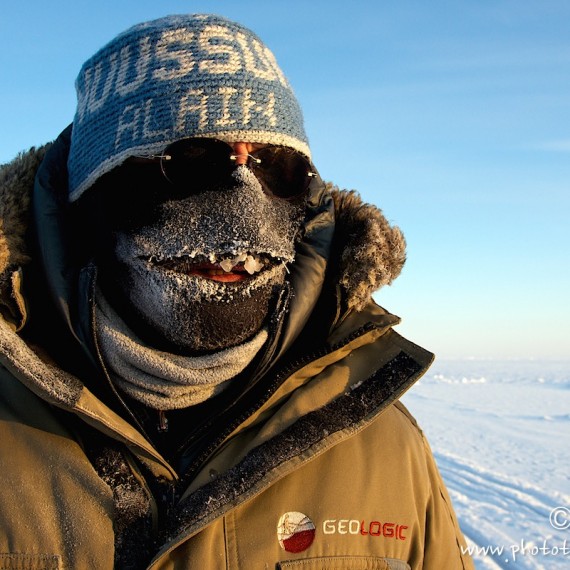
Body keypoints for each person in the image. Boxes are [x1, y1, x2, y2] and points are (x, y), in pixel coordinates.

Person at [0, 13, 473, 570]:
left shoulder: (383, 447)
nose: (244, 211)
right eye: (191, 159)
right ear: (89, 196)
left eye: (278, 167)